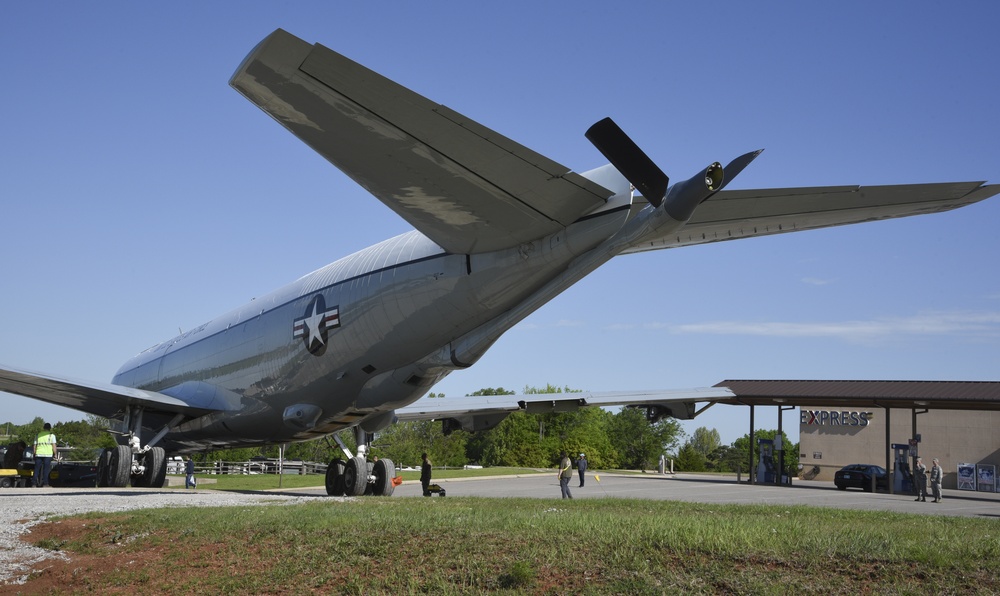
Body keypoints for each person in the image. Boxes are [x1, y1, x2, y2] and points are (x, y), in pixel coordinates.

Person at [33, 423, 57, 488]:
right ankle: (45, 484)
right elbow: (54, 446)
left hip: (38, 454)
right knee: (46, 470)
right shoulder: (52, 436)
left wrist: (34, 453)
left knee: (37, 469)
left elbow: (35, 446)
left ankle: (34, 484)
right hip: (48, 454)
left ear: (43, 428)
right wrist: (55, 454)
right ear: (50, 428)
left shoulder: (38, 435)